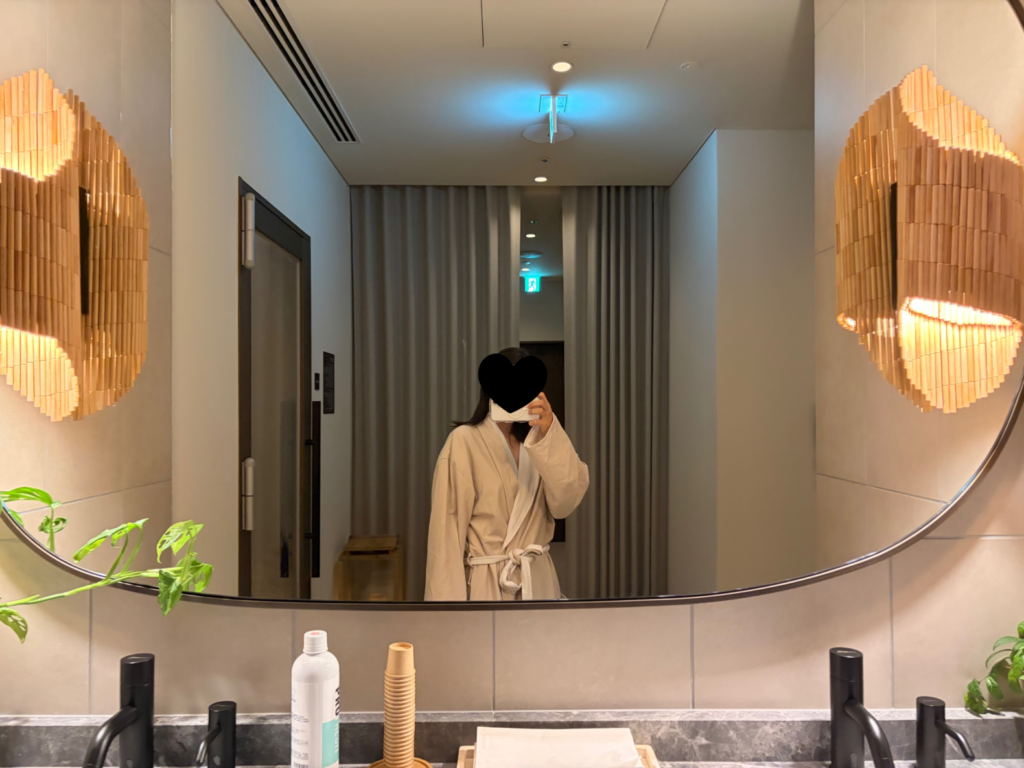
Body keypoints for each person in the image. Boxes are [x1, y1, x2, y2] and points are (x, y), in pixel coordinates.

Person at [424, 347, 590, 601]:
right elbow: (446, 534)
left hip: (537, 583)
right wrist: (450, 613)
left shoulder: (541, 444)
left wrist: (550, 433)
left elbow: (564, 504)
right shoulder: (464, 442)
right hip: (487, 585)